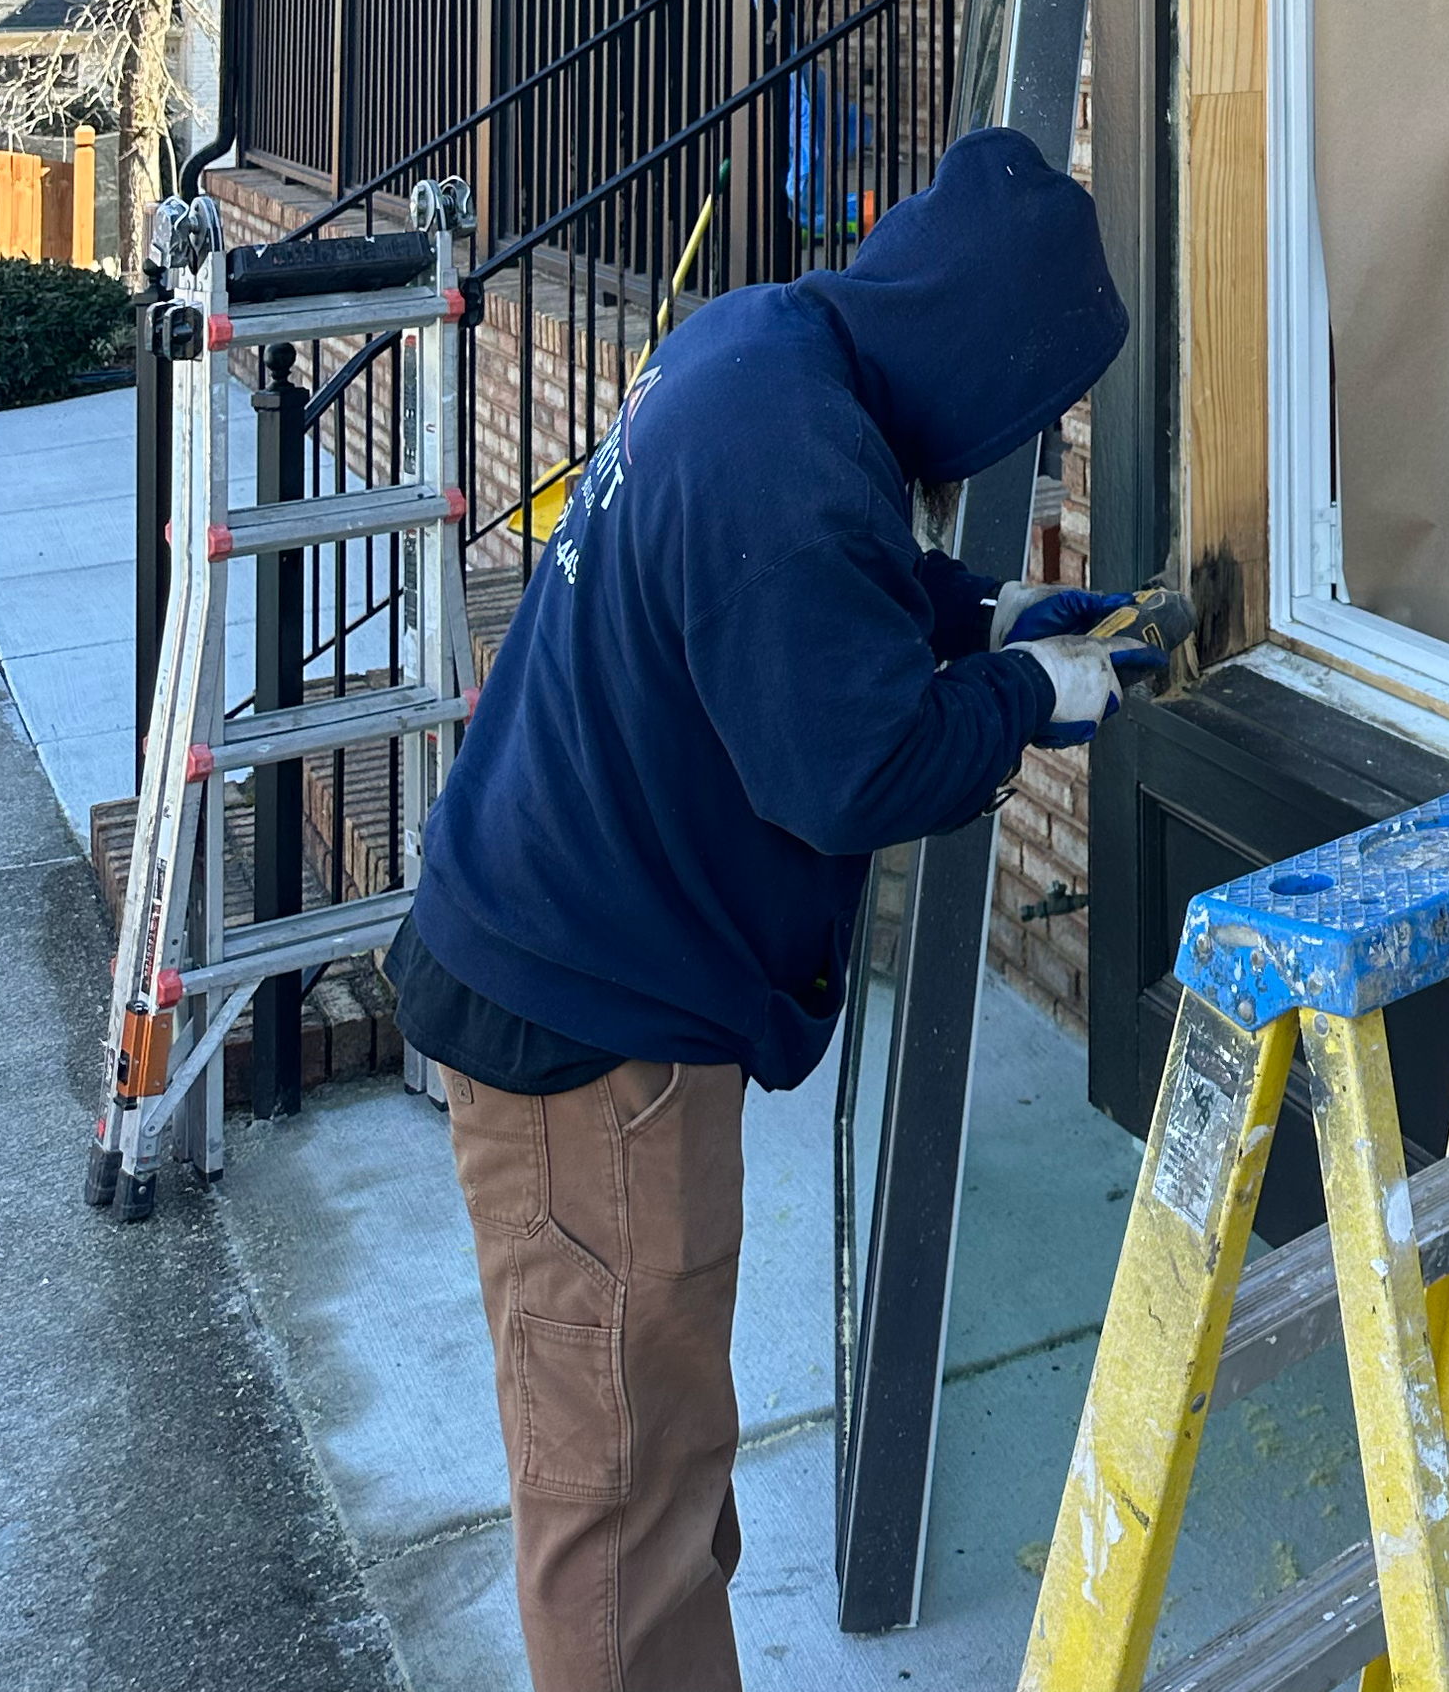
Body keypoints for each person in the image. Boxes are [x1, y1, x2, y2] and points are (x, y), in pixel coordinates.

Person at [385, 126, 1149, 1692]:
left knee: (662, 1469)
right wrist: (1021, 693)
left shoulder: (764, 349)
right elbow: (849, 769)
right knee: (622, 1525)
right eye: (1032, 403)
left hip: (571, 971)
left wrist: (986, 619)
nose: (1022, 435)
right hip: (589, 1043)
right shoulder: (792, 463)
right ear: (979, 356)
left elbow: (812, 588)